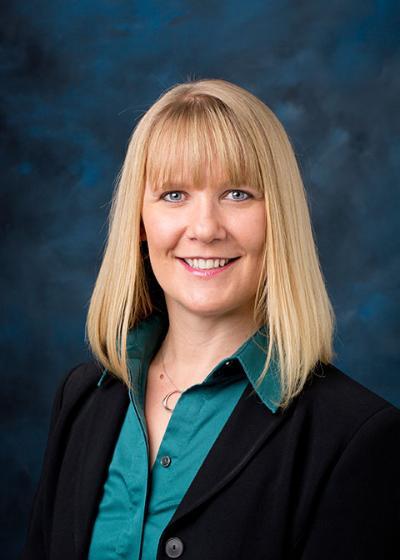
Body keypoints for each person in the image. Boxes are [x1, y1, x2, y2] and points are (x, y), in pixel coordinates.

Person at [22, 78, 400, 560]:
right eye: (174, 194)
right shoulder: (80, 401)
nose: (204, 229)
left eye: (238, 194)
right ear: (140, 222)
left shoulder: (358, 437)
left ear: (278, 219)